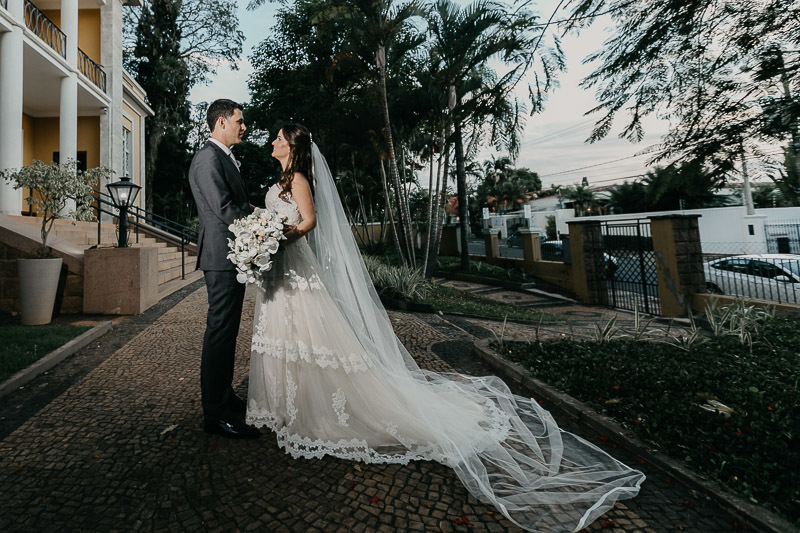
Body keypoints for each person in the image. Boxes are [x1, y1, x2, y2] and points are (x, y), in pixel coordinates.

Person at [246, 124, 646, 531]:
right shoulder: (278, 179)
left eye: (279, 137)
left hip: (294, 267)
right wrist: (261, 238)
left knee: (312, 340)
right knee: (287, 338)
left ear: (293, 147)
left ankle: (314, 410)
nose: (273, 141)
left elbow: (309, 222)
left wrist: (276, 236)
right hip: (280, 271)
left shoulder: (297, 179)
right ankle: (287, 406)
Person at [188, 99, 261, 439]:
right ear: (220, 123)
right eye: (239, 121)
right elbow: (223, 208)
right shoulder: (207, 157)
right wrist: (262, 226)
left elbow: (237, 204)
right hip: (221, 257)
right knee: (219, 333)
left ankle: (224, 394)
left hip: (231, 255)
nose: (243, 126)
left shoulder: (222, 156)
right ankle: (214, 414)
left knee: (227, 331)